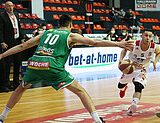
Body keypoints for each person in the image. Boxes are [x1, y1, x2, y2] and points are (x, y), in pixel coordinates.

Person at [0, 14, 134, 123]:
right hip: (52, 66)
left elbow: (22, 46)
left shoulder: (46, 33)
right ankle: (97, 120)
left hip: (35, 63)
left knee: (20, 88)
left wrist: (2, 55)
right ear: (71, 25)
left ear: (59, 24)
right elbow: (95, 42)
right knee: (81, 91)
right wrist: (119, 44)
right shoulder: (70, 36)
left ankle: (2, 117)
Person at [117, 28, 160, 116]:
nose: (148, 38)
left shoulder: (154, 46)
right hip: (130, 69)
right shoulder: (134, 44)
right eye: (146, 36)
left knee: (139, 86)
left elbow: (159, 53)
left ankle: (134, 105)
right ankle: (123, 88)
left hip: (142, 71)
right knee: (120, 85)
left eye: (150, 36)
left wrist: (155, 61)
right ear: (141, 36)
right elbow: (124, 49)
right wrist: (121, 60)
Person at [0, 1, 24, 91]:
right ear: (5, 7)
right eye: (8, 6)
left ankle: (16, 81)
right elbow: (0, 30)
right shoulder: (2, 17)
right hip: (8, 42)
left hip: (17, 41)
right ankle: (7, 82)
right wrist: (2, 42)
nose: (10, 8)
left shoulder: (16, 15)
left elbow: (19, 27)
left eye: (12, 6)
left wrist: (22, 38)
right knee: (8, 63)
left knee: (17, 62)